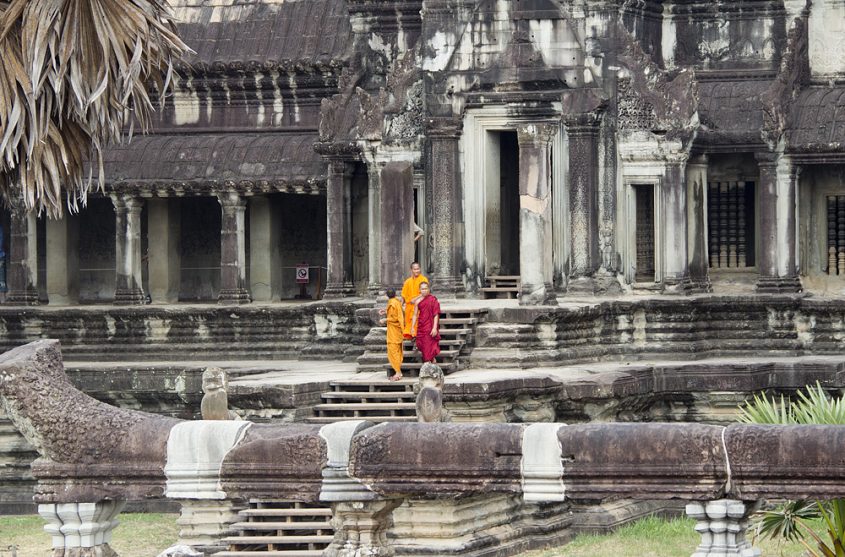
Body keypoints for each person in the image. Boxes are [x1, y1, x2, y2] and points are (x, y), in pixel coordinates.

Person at [378, 288, 405, 381]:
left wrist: (385, 319)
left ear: (386, 295)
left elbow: (395, 318)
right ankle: (398, 372)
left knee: (393, 351)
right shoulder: (396, 302)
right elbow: (394, 314)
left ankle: (398, 372)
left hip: (394, 331)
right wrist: (385, 311)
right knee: (396, 351)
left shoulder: (392, 303)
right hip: (396, 330)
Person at [412, 281, 441, 363]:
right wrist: (412, 327)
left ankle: (430, 363)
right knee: (421, 345)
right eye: (422, 289)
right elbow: (415, 315)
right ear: (419, 290)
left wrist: (435, 328)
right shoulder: (418, 301)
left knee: (428, 346)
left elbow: (436, 315)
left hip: (429, 326)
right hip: (421, 325)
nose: (424, 291)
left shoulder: (433, 300)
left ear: (428, 289)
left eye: (425, 289)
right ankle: (431, 362)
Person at [401, 261, 428, 340]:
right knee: (409, 323)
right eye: (415, 269)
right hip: (409, 307)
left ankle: (416, 338)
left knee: (417, 321)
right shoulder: (407, 282)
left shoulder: (423, 279)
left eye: (418, 269)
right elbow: (403, 295)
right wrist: (399, 305)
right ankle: (413, 337)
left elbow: (425, 292)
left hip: (419, 304)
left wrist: (415, 299)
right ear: (411, 270)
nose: (417, 271)